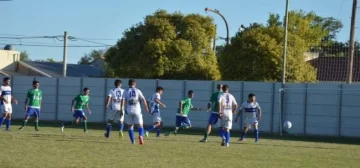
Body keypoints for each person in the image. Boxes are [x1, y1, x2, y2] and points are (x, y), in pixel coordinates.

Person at [124, 79, 149, 145]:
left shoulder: (126, 91)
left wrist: (122, 109)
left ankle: (133, 141)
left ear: (128, 84)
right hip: (137, 109)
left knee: (130, 126)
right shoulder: (137, 90)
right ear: (135, 84)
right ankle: (141, 135)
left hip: (129, 110)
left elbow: (123, 100)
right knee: (140, 125)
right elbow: (143, 99)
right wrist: (146, 107)